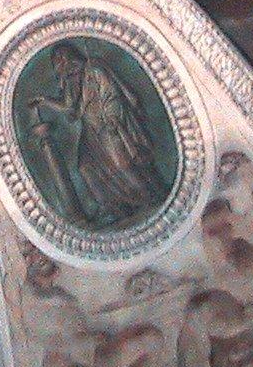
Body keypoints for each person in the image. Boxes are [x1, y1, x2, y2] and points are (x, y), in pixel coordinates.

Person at [25, 43, 166, 229]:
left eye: (60, 60)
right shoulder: (70, 80)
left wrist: (113, 118)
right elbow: (69, 107)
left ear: (68, 57)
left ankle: (149, 196)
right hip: (90, 127)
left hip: (108, 122)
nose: (59, 66)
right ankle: (113, 207)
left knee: (121, 163)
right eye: (56, 63)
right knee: (85, 166)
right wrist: (45, 101)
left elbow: (111, 94)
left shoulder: (95, 68)